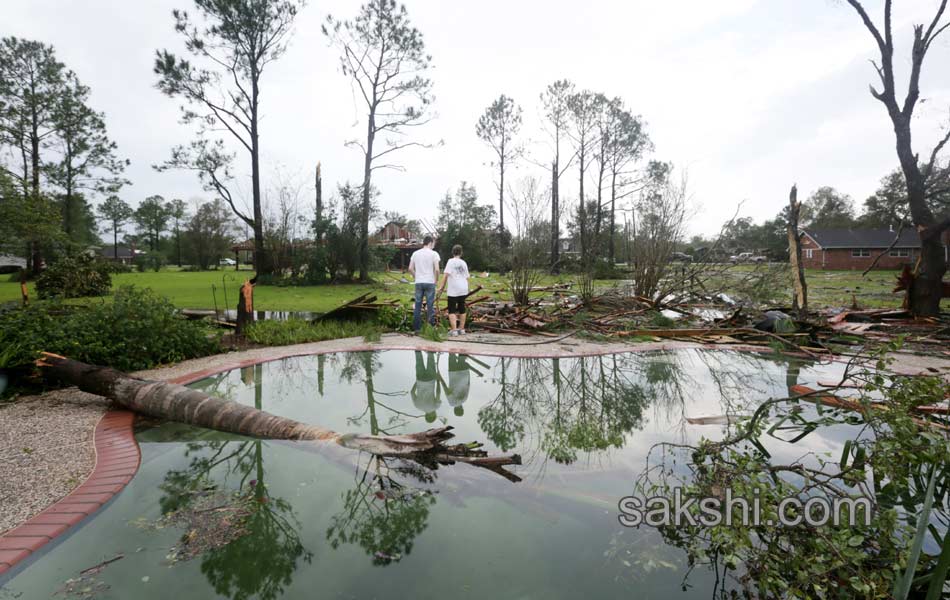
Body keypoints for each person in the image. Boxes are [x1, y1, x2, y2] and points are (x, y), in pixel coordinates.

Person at [408, 236, 440, 332]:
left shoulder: (415, 253)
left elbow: (410, 268)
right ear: (430, 242)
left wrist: (416, 276)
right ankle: (430, 329)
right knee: (430, 305)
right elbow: (437, 269)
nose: (434, 245)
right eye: (433, 243)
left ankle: (417, 329)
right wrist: (436, 280)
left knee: (418, 305)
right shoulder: (434, 254)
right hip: (430, 282)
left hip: (419, 282)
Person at [438, 244, 469, 336]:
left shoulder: (450, 261)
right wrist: (467, 288)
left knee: (452, 309)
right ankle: (462, 329)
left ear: (452, 252)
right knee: (462, 308)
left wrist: (441, 287)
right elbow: (467, 277)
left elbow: (446, 275)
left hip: (454, 289)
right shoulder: (464, 263)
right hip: (463, 288)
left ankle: (454, 330)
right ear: (461, 253)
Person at [410, 351, 440, 423]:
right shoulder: (417, 406)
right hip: (420, 380)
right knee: (418, 358)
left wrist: (438, 380)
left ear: (432, 415)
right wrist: (417, 382)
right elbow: (412, 392)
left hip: (431, 380)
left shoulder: (435, 407)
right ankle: (417, 345)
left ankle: (430, 348)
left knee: (430, 359)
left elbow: (438, 393)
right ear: (426, 415)